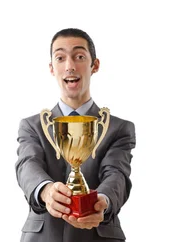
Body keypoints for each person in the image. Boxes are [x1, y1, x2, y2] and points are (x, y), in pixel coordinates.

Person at [15, 28, 136, 242]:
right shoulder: (32, 126)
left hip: (98, 236)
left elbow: (116, 174)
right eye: (60, 58)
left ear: (94, 65)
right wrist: (46, 191)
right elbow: (27, 165)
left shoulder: (118, 128)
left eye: (79, 56)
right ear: (52, 68)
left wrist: (102, 201)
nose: (70, 66)